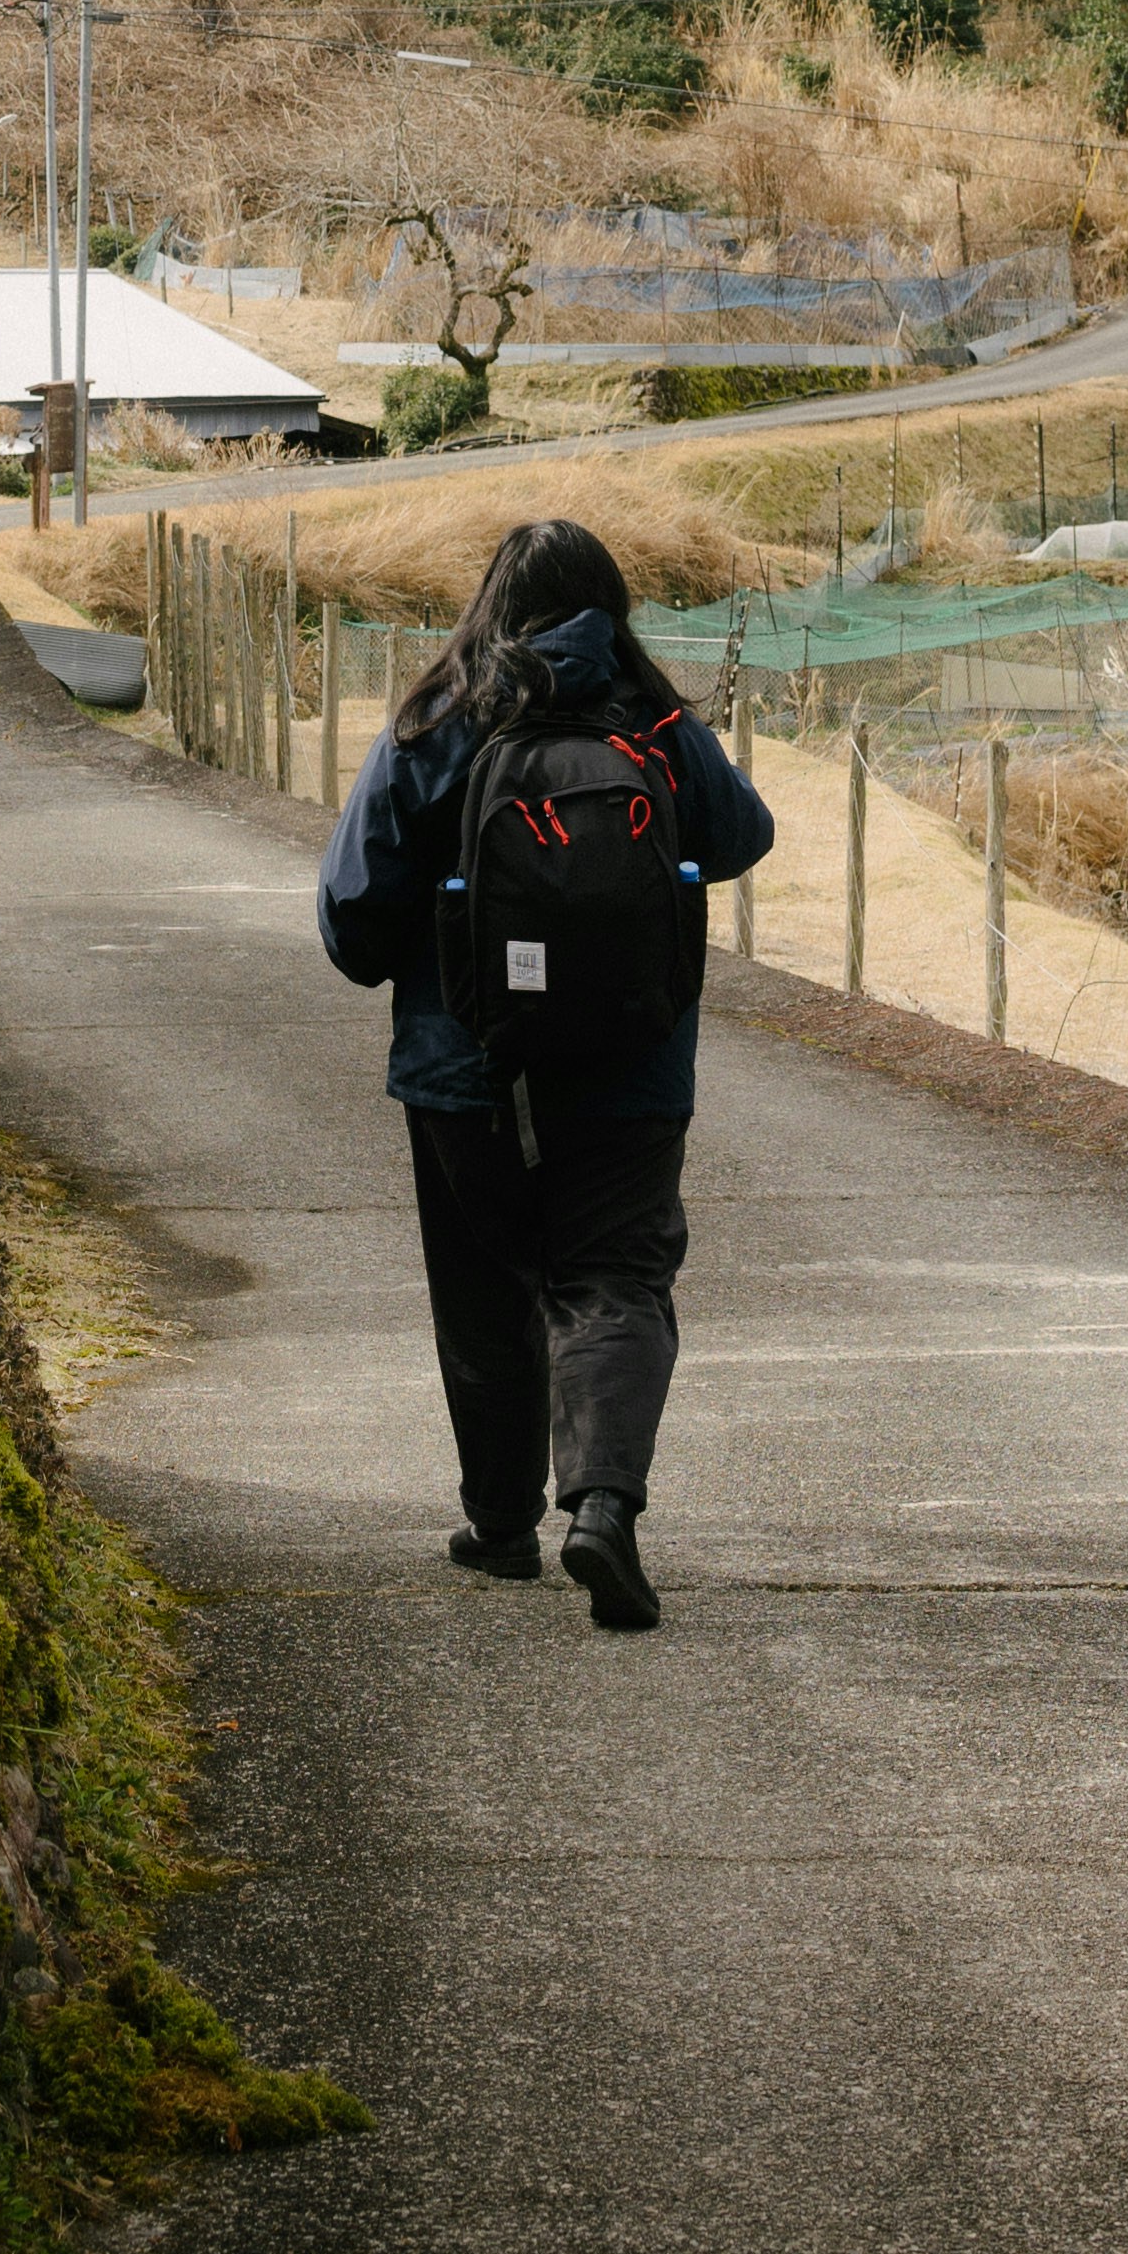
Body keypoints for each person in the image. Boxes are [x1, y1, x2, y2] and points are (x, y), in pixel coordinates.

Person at [317, 518, 772, 1631]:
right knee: (613, 1278)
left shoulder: (444, 713)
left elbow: (352, 917)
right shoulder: (650, 712)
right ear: (612, 609)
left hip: (466, 1071)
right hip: (632, 1065)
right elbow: (743, 831)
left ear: (489, 602)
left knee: (484, 1296)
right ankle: (604, 1509)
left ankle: (503, 1525)